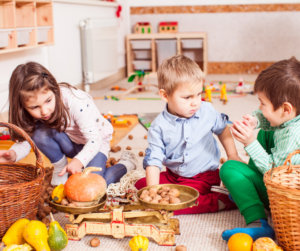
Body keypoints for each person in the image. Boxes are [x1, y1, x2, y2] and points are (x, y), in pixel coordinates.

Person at [0, 62, 137, 185]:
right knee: (39, 132)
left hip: (96, 143)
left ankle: (126, 164)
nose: (44, 111)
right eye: (35, 107)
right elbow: (29, 138)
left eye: (48, 101)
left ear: (54, 89)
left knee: (95, 184)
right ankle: (60, 168)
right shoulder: (35, 109)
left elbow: (94, 140)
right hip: (70, 142)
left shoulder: (74, 102)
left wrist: (79, 161)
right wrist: (14, 153)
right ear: (22, 106)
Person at [135, 55, 241, 215]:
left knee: (178, 203)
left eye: (199, 94)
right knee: (141, 186)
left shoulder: (207, 111)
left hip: (204, 176)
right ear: (165, 95)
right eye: (187, 97)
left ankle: (220, 201)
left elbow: (222, 128)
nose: (195, 102)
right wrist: (153, 193)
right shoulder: (158, 126)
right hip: (174, 176)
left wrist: (232, 154)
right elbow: (154, 160)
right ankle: (204, 196)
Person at [220, 57, 300, 241]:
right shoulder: (291, 117)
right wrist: (256, 120)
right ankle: (248, 189)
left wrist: (249, 142)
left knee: (229, 168)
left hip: (283, 195)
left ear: (286, 109)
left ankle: (257, 222)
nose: (259, 107)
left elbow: (275, 174)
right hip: (281, 181)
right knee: (267, 131)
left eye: (262, 104)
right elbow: (273, 120)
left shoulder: (293, 136)